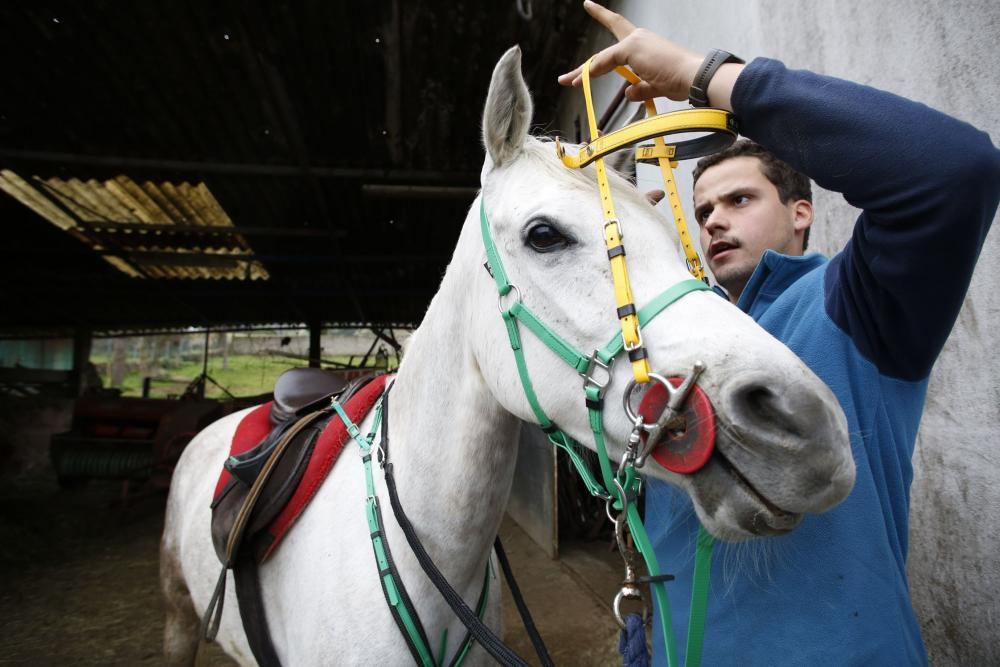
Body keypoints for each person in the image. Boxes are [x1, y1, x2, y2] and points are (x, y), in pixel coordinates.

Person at [559, 2, 1000, 664]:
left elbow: (954, 170)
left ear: (802, 213)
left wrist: (701, 74)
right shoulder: (675, 347)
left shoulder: (856, 305)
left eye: (740, 200)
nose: (712, 220)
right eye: (703, 207)